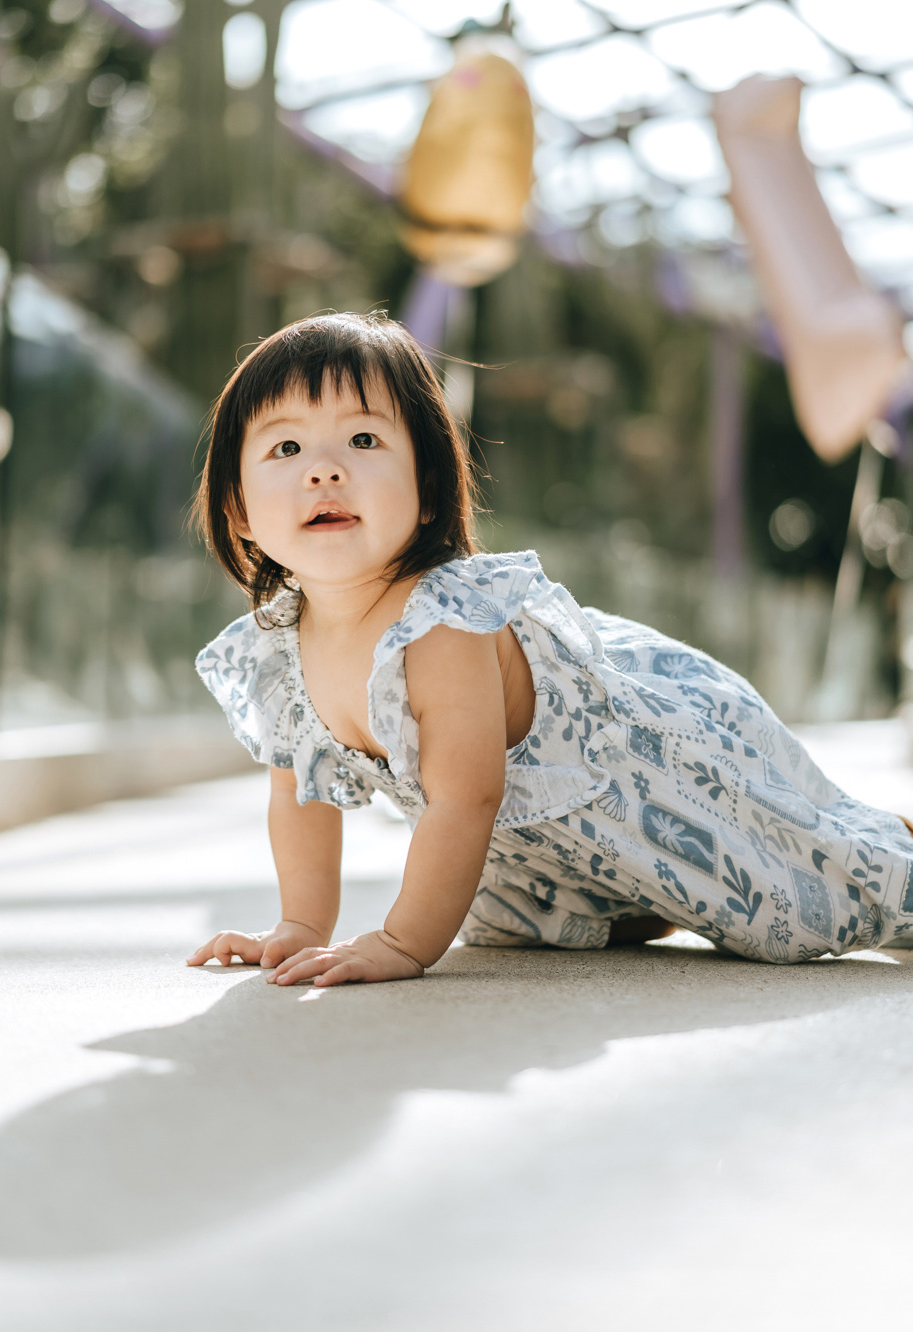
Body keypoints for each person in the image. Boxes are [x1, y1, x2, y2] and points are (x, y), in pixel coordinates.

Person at [186, 311, 913, 987]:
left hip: (643, 775)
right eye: (287, 446)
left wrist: (405, 942)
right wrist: (301, 925)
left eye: (364, 440)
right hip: (537, 843)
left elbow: (468, 797)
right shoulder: (278, 649)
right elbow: (300, 794)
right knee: (501, 922)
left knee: (799, 912)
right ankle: (631, 899)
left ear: (430, 491)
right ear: (239, 511)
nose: (325, 469)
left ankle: (886, 849)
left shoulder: (442, 619)